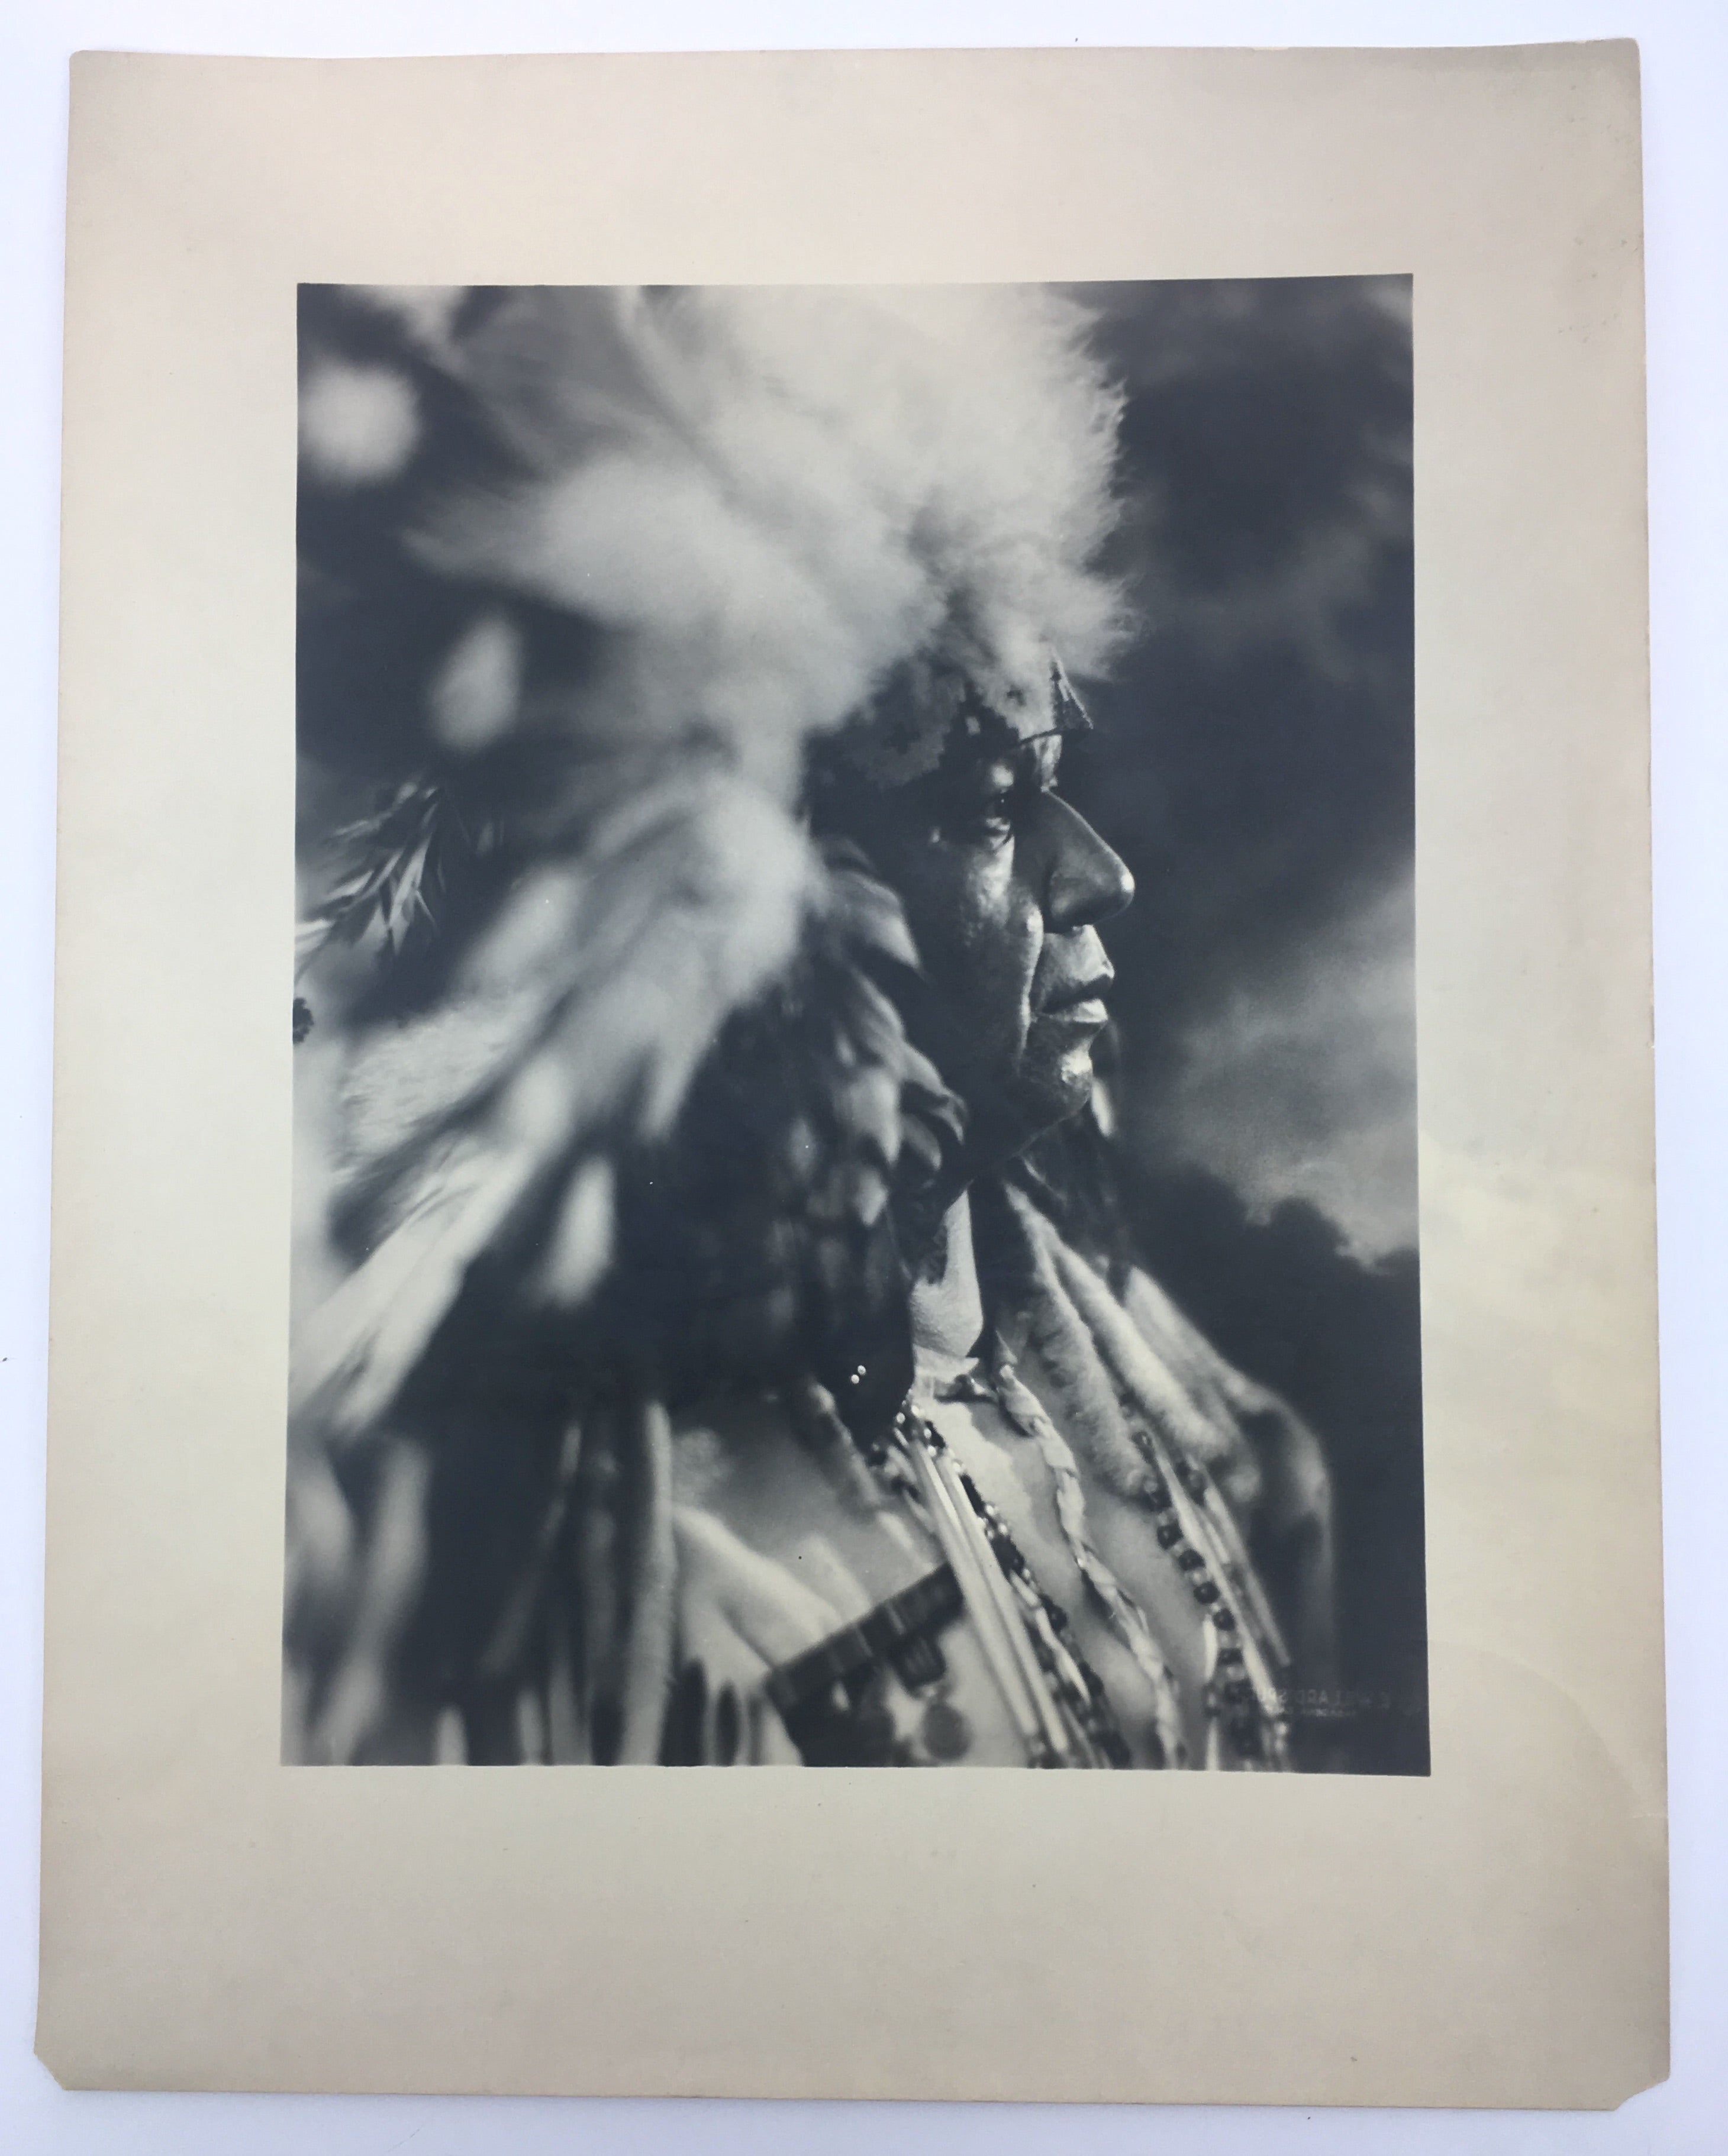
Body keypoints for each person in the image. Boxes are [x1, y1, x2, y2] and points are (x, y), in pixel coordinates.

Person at [283, 282, 1336, 1769]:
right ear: (770, 910)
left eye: (1054, 786)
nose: (1100, 874)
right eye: (989, 807)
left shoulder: (1209, 1434)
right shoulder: (605, 1556)